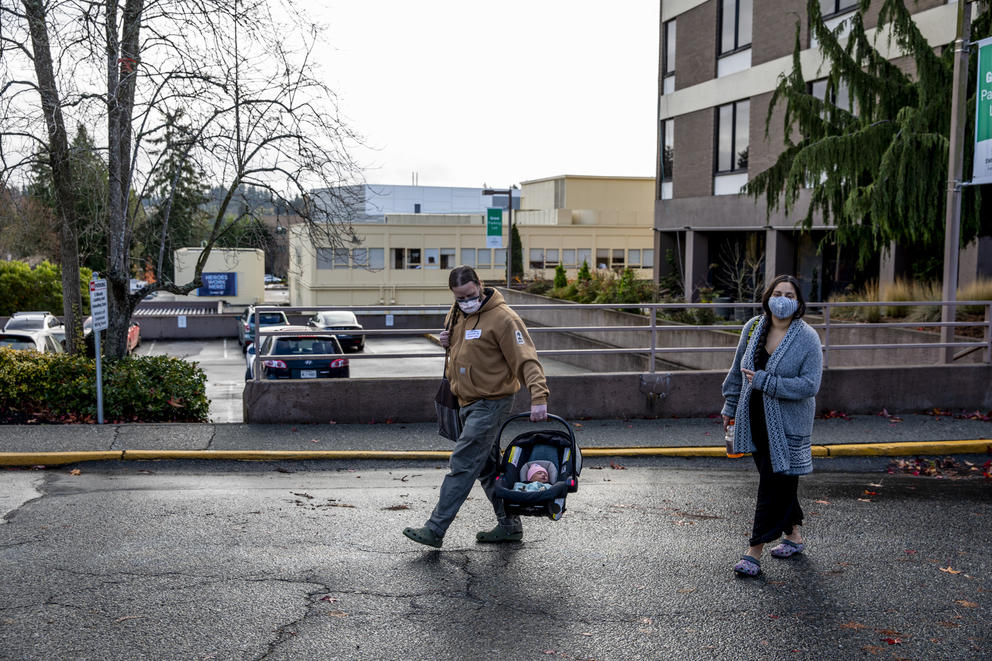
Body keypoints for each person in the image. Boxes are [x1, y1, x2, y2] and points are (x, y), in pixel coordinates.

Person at [403, 265, 549, 549]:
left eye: (470, 295)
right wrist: (447, 340)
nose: (465, 301)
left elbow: (526, 359)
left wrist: (539, 396)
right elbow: (465, 347)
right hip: (465, 402)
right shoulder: (457, 312)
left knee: (463, 463)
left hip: (491, 403)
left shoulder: (504, 318)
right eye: (459, 297)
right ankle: (509, 525)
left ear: (480, 285)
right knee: (487, 468)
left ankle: (435, 529)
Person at [721, 275, 823, 577]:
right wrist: (729, 407)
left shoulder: (807, 338)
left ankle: (753, 552)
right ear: (767, 297)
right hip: (754, 419)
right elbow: (737, 371)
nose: (782, 299)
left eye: (789, 295)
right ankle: (793, 536)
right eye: (777, 293)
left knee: (773, 482)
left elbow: (810, 385)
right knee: (779, 479)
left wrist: (767, 382)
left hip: (789, 424)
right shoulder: (753, 327)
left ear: (799, 302)